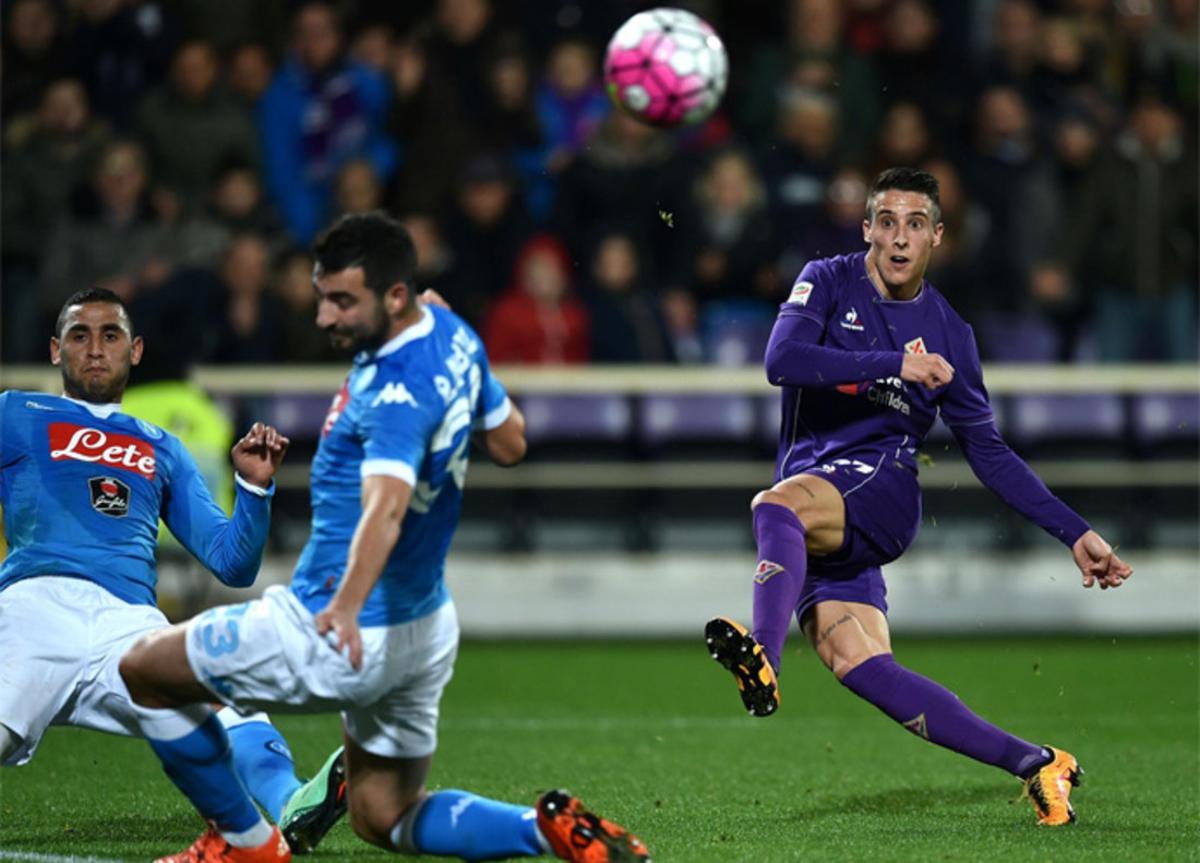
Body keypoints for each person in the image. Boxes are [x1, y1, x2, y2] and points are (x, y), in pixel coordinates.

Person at [119, 213, 651, 862]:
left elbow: (386, 510)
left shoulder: (391, 389)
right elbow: (511, 442)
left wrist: (342, 604)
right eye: (321, 296)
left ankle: (243, 843)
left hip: (336, 622)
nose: (324, 317)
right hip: (423, 628)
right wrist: (464, 377)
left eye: (343, 300)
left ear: (395, 296)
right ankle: (542, 828)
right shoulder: (453, 335)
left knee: (143, 670)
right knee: (384, 813)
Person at [704, 167, 1132, 828]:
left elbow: (987, 450)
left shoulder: (950, 333)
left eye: (915, 224)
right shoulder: (827, 277)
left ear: (937, 235)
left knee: (775, 505)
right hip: (824, 501)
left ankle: (762, 652)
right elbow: (781, 359)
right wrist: (892, 361)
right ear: (867, 228)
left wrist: (1074, 530)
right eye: (886, 221)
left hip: (882, 490)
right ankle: (1040, 761)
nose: (899, 238)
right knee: (863, 665)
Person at [0, 287, 316, 863]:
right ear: (54, 351)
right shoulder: (15, 413)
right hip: (36, 608)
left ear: (135, 350)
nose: (95, 349)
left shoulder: (162, 447)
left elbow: (233, 563)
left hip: (132, 623)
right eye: (79, 336)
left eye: (110, 335)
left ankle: (296, 805)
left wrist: (253, 489)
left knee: (231, 704)